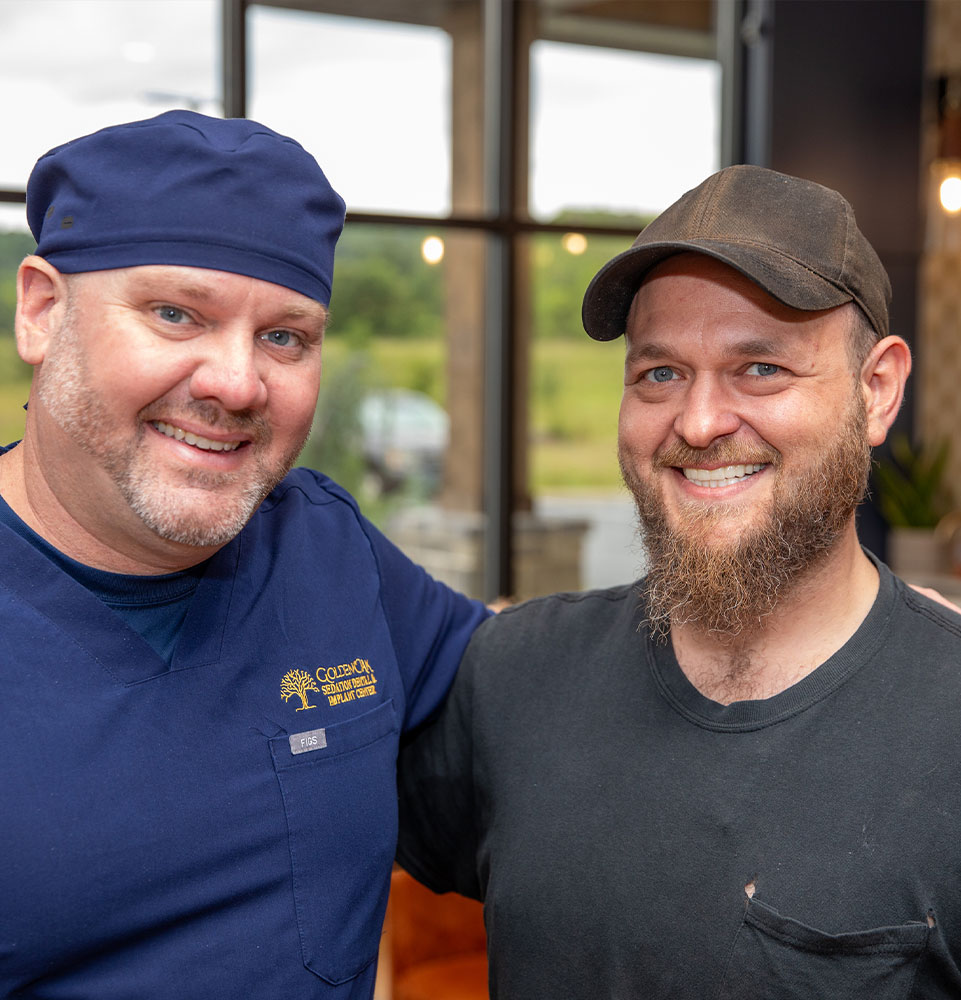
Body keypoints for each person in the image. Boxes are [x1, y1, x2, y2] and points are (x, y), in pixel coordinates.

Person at [396, 165, 961, 997]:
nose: (697, 423)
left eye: (759, 368)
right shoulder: (511, 677)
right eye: (658, 373)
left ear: (875, 392)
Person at [0, 111, 488, 999]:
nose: (235, 382)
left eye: (284, 337)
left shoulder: (323, 544)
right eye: (176, 313)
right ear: (41, 311)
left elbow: (522, 672)